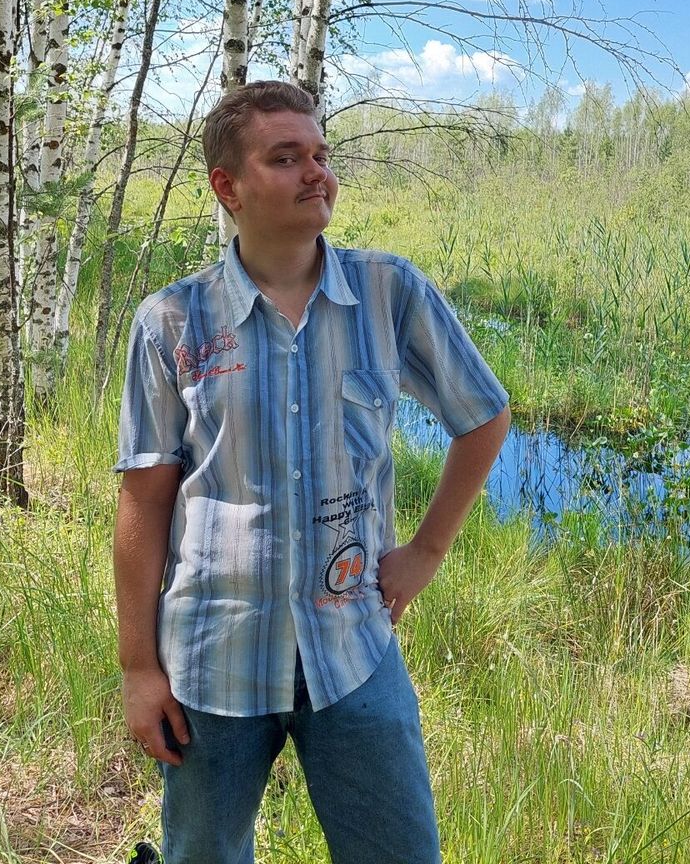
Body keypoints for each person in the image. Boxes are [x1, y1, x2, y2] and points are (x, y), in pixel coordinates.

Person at [114, 80, 511, 864]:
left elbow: (484, 415)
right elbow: (145, 503)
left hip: (352, 647)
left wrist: (426, 552)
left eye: (321, 155)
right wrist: (138, 667)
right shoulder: (172, 322)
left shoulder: (389, 292)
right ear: (228, 187)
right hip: (214, 659)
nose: (316, 173)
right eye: (286, 157)